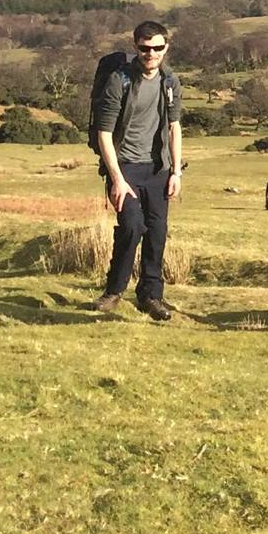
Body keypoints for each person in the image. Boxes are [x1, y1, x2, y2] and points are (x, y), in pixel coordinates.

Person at [91, 20, 183, 321]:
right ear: (136, 48)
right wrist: (116, 178)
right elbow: (104, 133)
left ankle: (151, 297)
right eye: (145, 48)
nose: (151, 53)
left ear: (166, 47)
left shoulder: (170, 81)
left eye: (157, 47)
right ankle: (114, 290)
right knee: (131, 227)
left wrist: (176, 172)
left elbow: (174, 126)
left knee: (157, 233)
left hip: (158, 169)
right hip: (125, 167)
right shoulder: (120, 81)